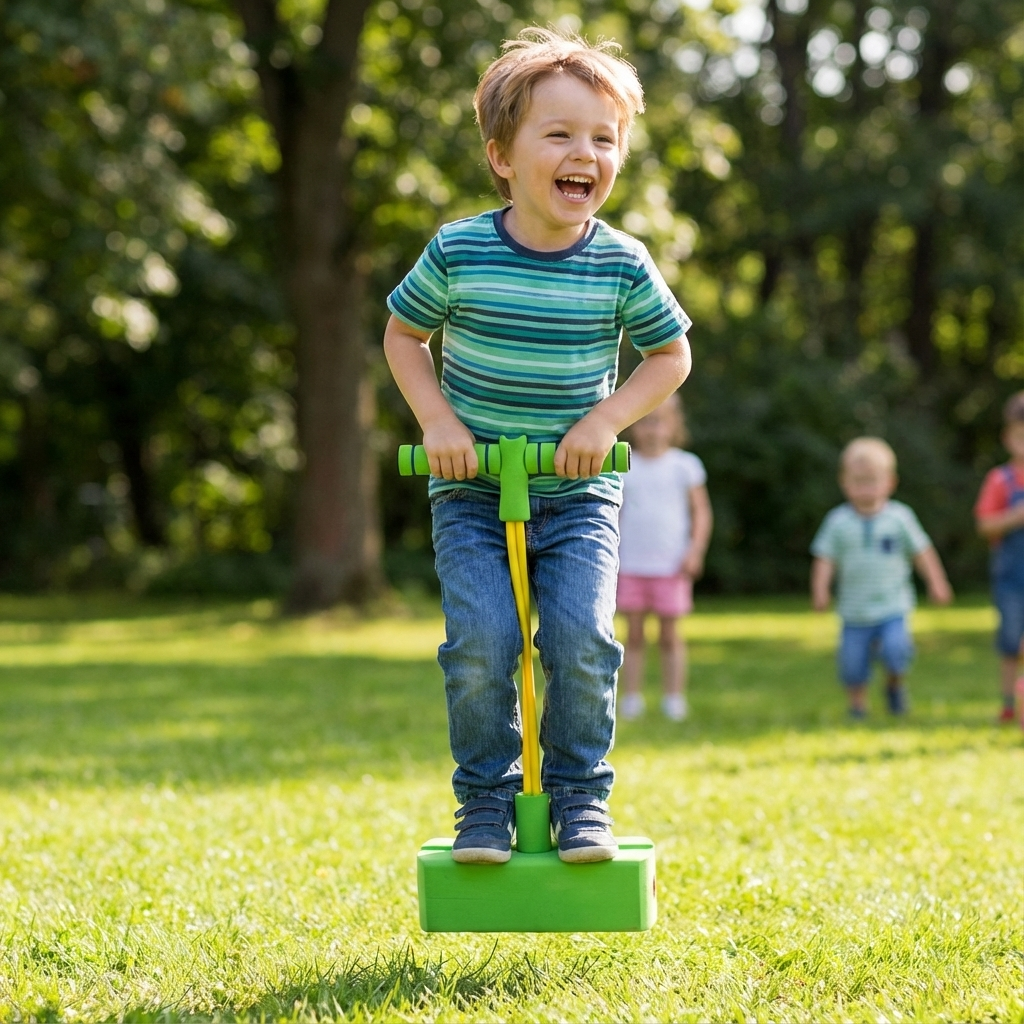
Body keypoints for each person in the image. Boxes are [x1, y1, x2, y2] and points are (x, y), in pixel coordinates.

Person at [382, 30, 691, 864]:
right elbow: (404, 335)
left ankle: (580, 798)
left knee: (581, 640)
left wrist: (605, 423)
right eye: (559, 135)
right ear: (502, 156)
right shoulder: (459, 250)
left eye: (603, 138)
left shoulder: (622, 263)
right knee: (482, 643)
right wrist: (439, 423)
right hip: (475, 490)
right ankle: (484, 801)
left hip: (578, 493)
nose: (584, 153)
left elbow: (671, 356)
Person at [810, 437, 953, 718]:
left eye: (872, 481)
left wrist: (937, 582)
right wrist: (820, 590)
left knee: (896, 652)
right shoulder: (837, 522)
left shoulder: (900, 518)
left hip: (893, 606)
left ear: (890, 482)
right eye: (858, 481)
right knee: (852, 663)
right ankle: (857, 705)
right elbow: (824, 559)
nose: (865, 488)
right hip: (854, 611)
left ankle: (894, 686)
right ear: (844, 482)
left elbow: (922, 552)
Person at [616, 393, 712, 722]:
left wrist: (695, 550)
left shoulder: (685, 466)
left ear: (674, 426)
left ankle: (674, 698)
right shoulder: (624, 464)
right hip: (631, 565)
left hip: (672, 566)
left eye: (659, 421)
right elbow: (615, 515)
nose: (651, 429)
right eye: (644, 421)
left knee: (671, 636)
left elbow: (701, 513)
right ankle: (631, 697)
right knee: (634, 635)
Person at [974, 392, 1024, 727]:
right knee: (1010, 642)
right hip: (1011, 578)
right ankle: (1008, 703)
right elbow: (984, 524)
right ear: (1009, 437)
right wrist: (1015, 516)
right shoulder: (1000, 480)